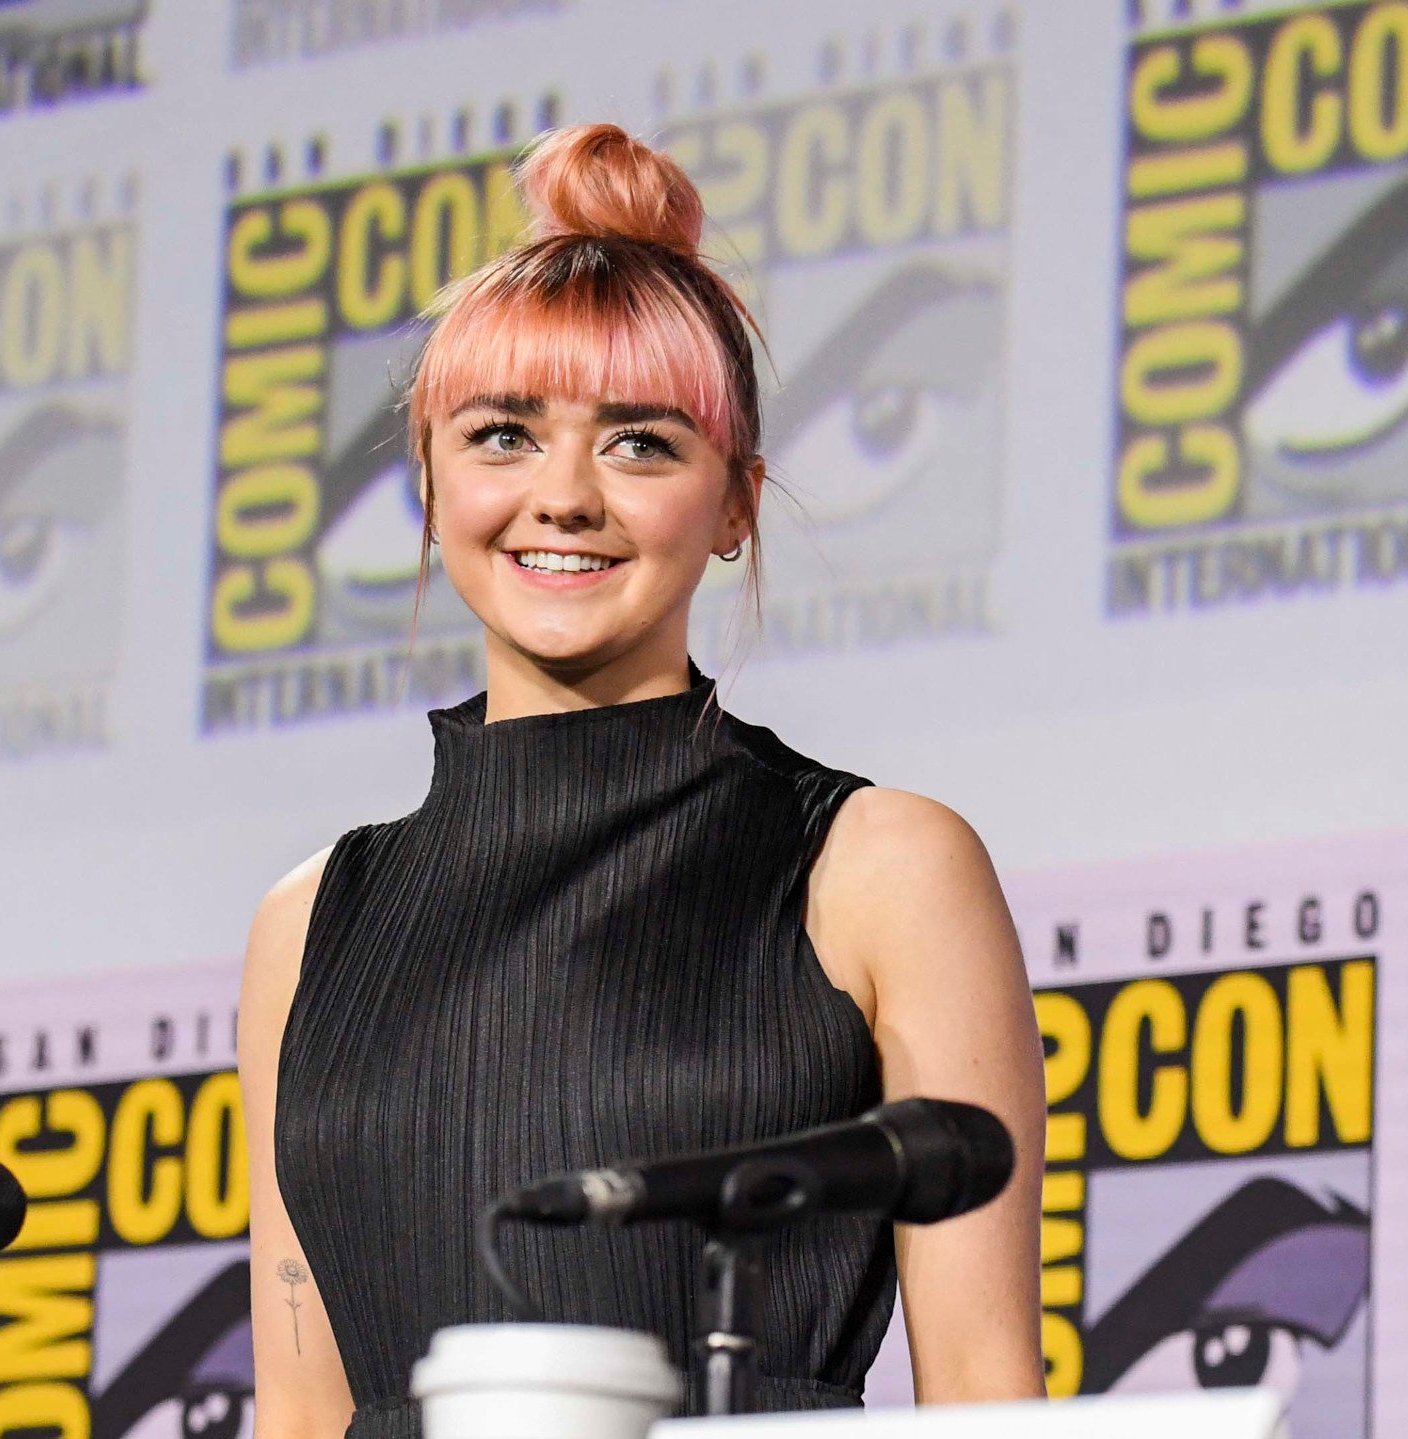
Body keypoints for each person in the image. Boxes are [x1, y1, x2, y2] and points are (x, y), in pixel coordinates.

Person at [238, 123, 1047, 1439]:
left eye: (641, 445)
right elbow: (298, 1413)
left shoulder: (880, 865)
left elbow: (983, 1396)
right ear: (431, 490)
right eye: (503, 436)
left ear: (736, 503)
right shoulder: (310, 919)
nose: (563, 495)